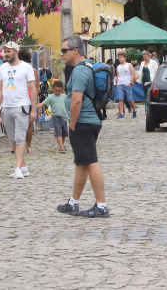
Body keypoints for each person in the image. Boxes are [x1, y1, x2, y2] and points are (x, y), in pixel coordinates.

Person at [56, 35, 109, 218]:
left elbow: (77, 100)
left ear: (75, 50)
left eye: (64, 50)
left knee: (90, 161)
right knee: (82, 162)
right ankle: (73, 203)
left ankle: (101, 206)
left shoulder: (79, 71)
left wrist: (71, 124)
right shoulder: (86, 67)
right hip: (89, 120)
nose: (61, 54)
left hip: (83, 122)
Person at [0, 42, 37, 179]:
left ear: (16, 51)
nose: (6, 54)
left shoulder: (26, 67)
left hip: (22, 106)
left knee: (20, 138)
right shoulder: (2, 67)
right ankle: (23, 167)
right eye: (5, 51)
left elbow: (33, 89)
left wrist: (33, 109)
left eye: (9, 51)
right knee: (13, 139)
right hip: (6, 107)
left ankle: (18, 168)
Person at [16, 48, 40, 154]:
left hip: (19, 98)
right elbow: (36, 87)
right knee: (28, 124)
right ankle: (28, 147)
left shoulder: (16, 69)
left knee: (19, 123)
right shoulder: (33, 70)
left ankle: (16, 146)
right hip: (29, 99)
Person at [42, 81, 69, 152]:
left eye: (59, 91)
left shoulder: (64, 97)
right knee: (58, 131)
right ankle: (61, 147)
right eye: (56, 90)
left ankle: (62, 145)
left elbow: (68, 105)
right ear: (53, 88)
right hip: (55, 117)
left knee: (64, 132)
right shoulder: (51, 97)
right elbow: (43, 103)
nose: (57, 92)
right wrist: (34, 107)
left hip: (64, 117)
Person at [114, 51, 138, 119]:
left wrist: (131, 83)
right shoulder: (118, 66)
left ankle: (134, 110)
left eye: (121, 57)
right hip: (120, 84)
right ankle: (121, 113)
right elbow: (117, 76)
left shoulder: (129, 65)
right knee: (120, 99)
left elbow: (133, 74)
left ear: (124, 58)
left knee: (129, 99)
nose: (120, 59)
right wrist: (117, 84)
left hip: (127, 83)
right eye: (119, 58)